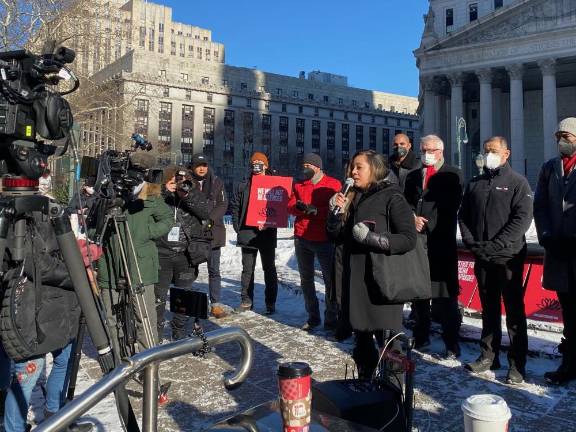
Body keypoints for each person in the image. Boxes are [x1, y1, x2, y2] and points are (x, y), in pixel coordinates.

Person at [327, 149, 417, 379]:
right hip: (356, 285)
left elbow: (408, 238)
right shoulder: (351, 196)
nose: (353, 172)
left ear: (374, 169)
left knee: (389, 348)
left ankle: (394, 396)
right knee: (362, 345)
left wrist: (373, 239)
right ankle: (366, 389)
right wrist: (336, 213)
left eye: (359, 167)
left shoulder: (392, 196)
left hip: (382, 284)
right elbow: (335, 236)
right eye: (352, 168)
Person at [1, 212, 93, 432]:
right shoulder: (20, 213)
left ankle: (57, 415)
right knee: (30, 371)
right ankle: (14, 428)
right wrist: (77, 276)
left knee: (64, 358)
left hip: (60, 305)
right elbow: (37, 263)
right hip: (30, 307)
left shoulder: (46, 208)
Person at [459, 136, 533, 384]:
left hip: (508, 257)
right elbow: (464, 217)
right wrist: (473, 244)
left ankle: (517, 363)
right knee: (488, 309)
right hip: (482, 256)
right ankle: (488, 356)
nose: (488, 154)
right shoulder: (475, 183)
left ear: (506, 154)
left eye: (493, 151)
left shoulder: (518, 183)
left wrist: (496, 244)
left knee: (514, 311)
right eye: (486, 151)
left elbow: (521, 220)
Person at [97, 178, 173, 353]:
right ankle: (119, 361)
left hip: (140, 265)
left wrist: (148, 232)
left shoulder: (151, 195)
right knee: (111, 317)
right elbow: (92, 228)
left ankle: (149, 366)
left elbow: (168, 218)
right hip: (109, 264)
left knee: (144, 317)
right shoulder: (106, 193)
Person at [404, 135, 463, 358]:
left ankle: (451, 343)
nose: (426, 153)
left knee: (446, 296)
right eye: (423, 149)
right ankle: (421, 336)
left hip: (441, 242)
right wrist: (412, 218)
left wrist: (425, 221)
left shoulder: (452, 173)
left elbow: (450, 205)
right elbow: (405, 202)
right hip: (417, 242)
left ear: (441, 151)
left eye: (431, 149)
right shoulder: (412, 176)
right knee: (419, 295)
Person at [534, 117, 576, 386]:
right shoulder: (550, 167)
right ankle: (569, 364)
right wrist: (546, 235)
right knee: (569, 312)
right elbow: (540, 205)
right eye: (558, 136)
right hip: (559, 251)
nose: (562, 141)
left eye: (567, 136)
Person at [154, 166, 211, 340]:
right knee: (159, 296)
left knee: (183, 295)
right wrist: (164, 191)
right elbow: (146, 204)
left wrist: (186, 195)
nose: (178, 184)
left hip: (185, 254)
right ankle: (155, 333)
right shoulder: (158, 195)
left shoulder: (194, 195)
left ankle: (178, 332)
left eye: (182, 181)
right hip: (161, 252)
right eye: (174, 181)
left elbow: (204, 212)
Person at [288, 153, 341, 332]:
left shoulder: (333, 184)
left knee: (330, 281)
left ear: (318, 167)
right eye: (304, 164)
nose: (305, 168)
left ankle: (331, 318)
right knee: (306, 280)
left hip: (324, 239)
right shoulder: (299, 184)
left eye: (309, 165)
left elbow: (337, 209)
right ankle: (313, 317)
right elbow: (290, 205)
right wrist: (298, 207)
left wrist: (316, 210)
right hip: (302, 237)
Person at [230, 152, 278, 314]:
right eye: (254, 162)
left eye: (260, 162)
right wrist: (238, 227)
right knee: (247, 269)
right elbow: (235, 206)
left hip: (267, 233)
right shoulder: (243, 184)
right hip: (248, 232)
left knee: (269, 268)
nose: (256, 164)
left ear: (266, 165)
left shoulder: (275, 184)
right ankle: (246, 300)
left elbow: (281, 206)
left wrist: (272, 223)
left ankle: (270, 302)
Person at [187, 154, 229, 319]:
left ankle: (216, 305)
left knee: (214, 270)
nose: (202, 168)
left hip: (214, 232)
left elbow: (223, 204)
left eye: (204, 164)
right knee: (190, 269)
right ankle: (189, 302)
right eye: (198, 165)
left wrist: (210, 219)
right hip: (193, 233)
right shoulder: (187, 181)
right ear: (193, 167)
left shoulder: (217, 182)